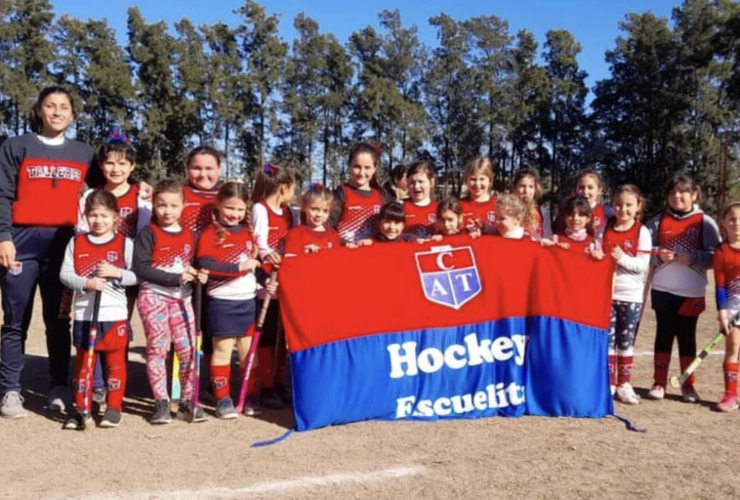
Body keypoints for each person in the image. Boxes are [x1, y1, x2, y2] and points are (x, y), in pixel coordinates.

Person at [0, 86, 97, 418]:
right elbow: (2, 193)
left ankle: (59, 387)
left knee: (58, 321)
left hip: (63, 244)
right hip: (21, 241)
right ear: (39, 110)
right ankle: (10, 390)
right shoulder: (17, 146)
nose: (57, 112)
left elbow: (108, 184)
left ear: (72, 114)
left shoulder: (83, 152)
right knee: (16, 320)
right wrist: (3, 237)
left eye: (64, 107)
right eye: (50, 106)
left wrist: (139, 185)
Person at [77, 131, 151, 415]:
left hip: (124, 271)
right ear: (101, 165)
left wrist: (126, 269)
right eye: (110, 163)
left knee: (117, 325)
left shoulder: (141, 196)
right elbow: (81, 231)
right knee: (92, 322)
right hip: (92, 270)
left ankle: (113, 380)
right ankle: (94, 383)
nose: (116, 169)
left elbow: (143, 234)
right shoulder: (90, 195)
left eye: (123, 163)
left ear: (132, 167)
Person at [60, 190, 136, 429]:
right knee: (84, 364)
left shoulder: (125, 243)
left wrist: (117, 273)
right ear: (86, 216)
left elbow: (137, 276)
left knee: (115, 363)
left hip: (113, 314)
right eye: (93, 215)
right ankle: (82, 407)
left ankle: (113, 407)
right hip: (85, 313)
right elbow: (65, 274)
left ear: (115, 217)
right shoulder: (77, 241)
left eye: (104, 215)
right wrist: (86, 283)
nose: (98, 220)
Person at [133, 180, 208, 424]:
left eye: (174, 205)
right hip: (153, 296)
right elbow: (141, 268)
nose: (167, 211)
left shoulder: (190, 235)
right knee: (157, 349)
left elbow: (196, 264)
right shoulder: (148, 233)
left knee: (188, 351)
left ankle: (187, 401)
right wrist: (175, 278)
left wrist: (200, 273)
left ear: (184, 206)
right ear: (153, 205)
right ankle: (161, 402)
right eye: (162, 205)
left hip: (182, 299)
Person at [197, 182, 270, 419]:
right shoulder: (210, 233)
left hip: (247, 302)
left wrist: (263, 286)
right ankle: (223, 399)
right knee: (222, 352)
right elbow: (206, 265)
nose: (235, 214)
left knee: (250, 353)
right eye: (230, 208)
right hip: (222, 302)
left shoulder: (248, 234)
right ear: (218, 205)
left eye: (240, 210)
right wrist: (238, 267)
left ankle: (250, 396)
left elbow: (254, 269)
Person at [646, 173, 720, 402]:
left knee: (687, 337)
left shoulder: (704, 222)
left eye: (683, 192)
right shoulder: (657, 221)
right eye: (672, 192)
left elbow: (717, 256)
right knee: (663, 334)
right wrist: (659, 255)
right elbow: (644, 252)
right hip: (662, 288)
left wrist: (694, 257)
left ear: (694, 195)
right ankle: (659, 383)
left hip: (692, 291)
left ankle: (688, 384)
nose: (677, 196)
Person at [251, 163, 296, 410]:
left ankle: (279, 382)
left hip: (285, 277)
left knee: (282, 334)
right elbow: (259, 240)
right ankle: (265, 385)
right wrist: (270, 255)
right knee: (267, 334)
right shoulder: (261, 208)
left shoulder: (288, 212)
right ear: (283, 188)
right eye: (293, 189)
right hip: (266, 278)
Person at [601, 185, 651, 404]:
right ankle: (610, 382)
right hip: (607, 294)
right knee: (608, 340)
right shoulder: (606, 227)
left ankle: (625, 383)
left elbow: (642, 264)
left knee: (626, 340)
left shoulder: (642, 231)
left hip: (630, 295)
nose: (623, 209)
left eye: (629, 205)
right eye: (619, 204)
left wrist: (621, 258)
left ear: (638, 206)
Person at [330, 142, 388, 243]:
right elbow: (327, 229)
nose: (362, 173)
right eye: (357, 167)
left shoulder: (381, 197)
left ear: (374, 168)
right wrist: (345, 243)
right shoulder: (341, 194)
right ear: (349, 166)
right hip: (346, 254)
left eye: (367, 168)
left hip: (374, 255)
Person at [713, 201, 740, 412]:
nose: (737, 223)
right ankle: (731, 394)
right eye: (732, 219)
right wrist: (722, 312)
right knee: (733, 349)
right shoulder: (721, 251)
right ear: (724, 223)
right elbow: (720, 285)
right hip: (732, 308)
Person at [553, 170, 614, 241]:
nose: (585, 192)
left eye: (590, 187)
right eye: (581, 187)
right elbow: (557, 233)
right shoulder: (566, 210)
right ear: (575, 189)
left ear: (599, 190)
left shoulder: (607, 212)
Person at [284, 184, 340, 257]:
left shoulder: (333, 235)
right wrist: (304, 252)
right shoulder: (295, 234)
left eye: (325, 211)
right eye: (314, 209)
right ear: (304, 207)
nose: (319, 215)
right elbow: (288, 260)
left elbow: (337, 260)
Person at [512, 168, 551, 240]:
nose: (526, 191)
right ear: (515, 188)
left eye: (531, 187)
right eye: (522, 186)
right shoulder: (506, 211)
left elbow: (548, 239)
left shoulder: (543, 213)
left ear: (535, 189)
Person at [460, 158, 497, 235]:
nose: (477, 184)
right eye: (473, 179)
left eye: (482, 179)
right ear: (466, 180)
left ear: (490, 181)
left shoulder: (499, 205)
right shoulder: (458, 205)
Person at [404, 161, 438, 239]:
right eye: (412, 182)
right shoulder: (399, 207)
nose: (416, 186)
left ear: (432, 182)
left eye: (420, 182)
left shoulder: (440, 209)